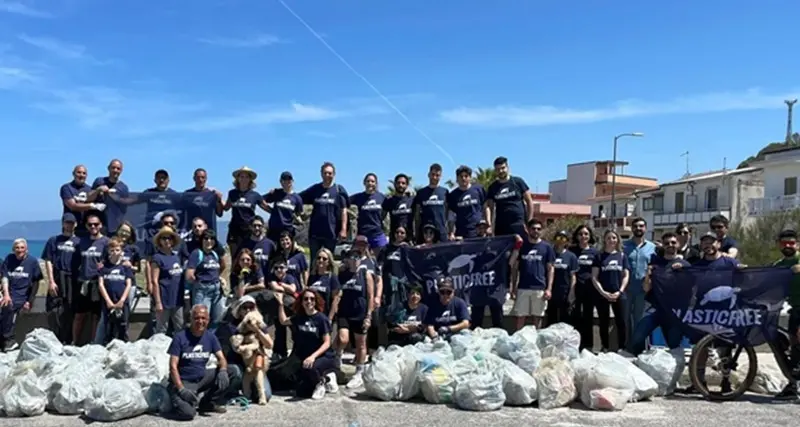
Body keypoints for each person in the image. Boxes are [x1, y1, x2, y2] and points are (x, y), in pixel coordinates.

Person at [167, 305, 237, 420]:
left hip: (202, 377)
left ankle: (208, 403)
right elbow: (172, 366)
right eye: (197, 318)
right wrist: (181, 389)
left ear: (208, 320)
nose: (200, 321)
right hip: (184, 381)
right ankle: (177, 397)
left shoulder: (211, 337)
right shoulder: (180, 337)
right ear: (191, 319)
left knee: (233, 371)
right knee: (188, 414)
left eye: (203, 318)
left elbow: (222, 358)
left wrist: (223, 370)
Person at [626, 232, 689, 356]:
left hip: (673, 312)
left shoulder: (685, 265)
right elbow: (646, 288)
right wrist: (648, 274)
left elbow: (690, 289)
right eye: (667, 243)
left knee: (674, 345)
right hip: (654, 309)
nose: (670, 245)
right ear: (663, 246)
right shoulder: (655, 263)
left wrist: (683, 272)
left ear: (678, 244)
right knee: (637, 338)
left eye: (673, 242)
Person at [275, 289, 338, 400]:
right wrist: (280, 303)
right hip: (305, 356)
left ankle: (321, 382)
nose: (309, 301)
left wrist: (313, 357)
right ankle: (327, 378)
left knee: (310, 367)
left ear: (316, 301)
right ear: (302, 301)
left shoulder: (321, 319)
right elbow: (283, 321)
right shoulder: (299, 317)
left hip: (323, 356)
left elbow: (327, 342)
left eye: (312, 299)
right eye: (306, 299)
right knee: (301, 392)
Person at [334, 239, 375, 390]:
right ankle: (337, 359)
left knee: (361, 344)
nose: (355, 259)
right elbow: (337, 293)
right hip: (345, 312)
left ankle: (359, 372)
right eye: (353, 257)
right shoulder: (343, 274)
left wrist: (369, 316)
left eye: (358, 257)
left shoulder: (365, 274)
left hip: (360, 313)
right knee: (343, 339)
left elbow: (370, 296)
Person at [214, 296, 272, 403]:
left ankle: (254, 393)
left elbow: (269, 345)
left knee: (266, 395)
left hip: (256, 364)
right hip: (239, 364)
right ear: (239, 310)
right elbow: (236, 348)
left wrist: (257, 331)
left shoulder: (258, 323)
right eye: (245, 307)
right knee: (236, 372)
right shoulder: (232, 326)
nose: (248, 310)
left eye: (251, 307)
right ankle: (233, 391)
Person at [42, 213, 81, 344]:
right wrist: (51, 281)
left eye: (72, 223)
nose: (69, 225)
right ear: (63, 223)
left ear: (75, 224)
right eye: (67, 222)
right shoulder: (54, 240)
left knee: (70, 309)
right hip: (58, 277)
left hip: (73, 278)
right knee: (54, 309)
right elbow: (48, 261)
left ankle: (68, 339)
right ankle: (55, 338)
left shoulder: (79, 242)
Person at [299, 162, 349, 262]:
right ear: (321, 174)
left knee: (329, 262)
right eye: (325, 173)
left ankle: (329, 278)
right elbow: (297, 198)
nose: (327, 175)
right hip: (315, 234)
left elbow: (344, 210)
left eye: (330, 173)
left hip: (331, 234)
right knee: (314, 262)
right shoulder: (315, 189)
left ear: (334, 174)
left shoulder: (339, 190)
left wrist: (343, 229)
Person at [510, 219, 555, 330]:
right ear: (528, 230)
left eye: (539, 229)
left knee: (538, 318)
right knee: (520, 317)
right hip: (523, 287)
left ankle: (536, 343)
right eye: (533, 228)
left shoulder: (547, 247)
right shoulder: (522, 245)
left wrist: (549, 289)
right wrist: (513, 287)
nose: (536, 231)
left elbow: (550, 269)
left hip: (539, 287)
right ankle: (519, 343)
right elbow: (512, 265)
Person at [591, 229, 630, 352]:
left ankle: (622, 347)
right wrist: (603, 292)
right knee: (604, 321)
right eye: (608, 238)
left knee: (622, 321)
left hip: (619, 294)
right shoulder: (599, 256)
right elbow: (594, 277)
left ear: (617, 240)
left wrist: (620, 291)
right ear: (604, 240)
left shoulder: (622, 256)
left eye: (614, 238)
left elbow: (626, 275)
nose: (611, 240)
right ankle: (605, 347)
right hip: (603, 294)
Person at [0, 238, 43, 351]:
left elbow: (36, 282)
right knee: (5, 304)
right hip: (9, 292)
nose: (19, 250)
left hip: (22, 295)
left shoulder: (32, 262)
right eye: (17, 248)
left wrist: (30, 301)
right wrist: (6, 294)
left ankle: (9, 339)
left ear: (26, 249)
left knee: (8, 307)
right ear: (13, 249)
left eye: (22, 248)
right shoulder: (9, 259)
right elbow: (5, 277)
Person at [772, 229, 800, 400]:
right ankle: (793, 385)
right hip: (795, 307)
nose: (788, 246)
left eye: (791, 243)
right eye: (784, 243)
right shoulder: (779, 265)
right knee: (793, 344)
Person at [74, 214, 110, 345]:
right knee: (79, 315)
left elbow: (111, 260)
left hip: (98, 283)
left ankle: (94, 343)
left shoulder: (106, 242)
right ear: (86, 226)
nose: (93, 227)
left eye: (95, 224)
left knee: (96, 316)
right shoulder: (81, 242)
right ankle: (75, 342)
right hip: (83, 282)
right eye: (90, 224)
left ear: (100, 225)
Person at [623, 217, 657, 343]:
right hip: (626, 289)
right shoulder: (624, 246)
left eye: (641, 226)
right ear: (632, 228)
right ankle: (626, 345)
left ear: (645, 228)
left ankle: (638, 346)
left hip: (643, 290)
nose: (638, 228)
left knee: (639, 319)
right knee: (625, 319)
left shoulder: (652, 247)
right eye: (636, 226)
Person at [186, 229, 226, 329]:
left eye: (212, 239)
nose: (209, 241)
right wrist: (199, 283)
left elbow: (222, 266)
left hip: (217, 290)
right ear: (202, 240)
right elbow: (189, 275)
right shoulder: (196, 253)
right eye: (206, 238)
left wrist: (218, 277)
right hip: (203, 291)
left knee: (217, 319)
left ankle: (211, 341)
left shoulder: (214, 254)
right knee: (201, 319)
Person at [224, 166, 268, 258]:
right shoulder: (232, 193)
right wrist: (218, 198)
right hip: (234, 230)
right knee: (235, 257)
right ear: (238, 179)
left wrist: (279, 211)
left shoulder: (255, 195)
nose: (244, 179)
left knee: (248, 257)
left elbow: (266, 207)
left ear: (250, 180)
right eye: (241, 176)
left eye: (246, 177)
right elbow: (226, 207)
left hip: (249, 230)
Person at [486, 156, 534, 238]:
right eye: (498, 169)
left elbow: (529, 202)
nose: (501, 171)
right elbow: (490, 207)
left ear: (508, 168)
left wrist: (529, 222)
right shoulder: (492, 187)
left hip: (519, 224)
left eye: (503, 168)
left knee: (520, 249)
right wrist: (490, 225)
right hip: (501, 227)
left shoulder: (518, 182)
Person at [97, 238, 134, 344]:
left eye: (117, 250)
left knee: (123, 327)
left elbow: (128, 284)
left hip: (122, 302)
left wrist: (122, 300)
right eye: (112, 250)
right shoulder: (104, 267)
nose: (115, 252)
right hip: (108, 302)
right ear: (108, 251)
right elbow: (101, 284)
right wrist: (108, 301)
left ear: (121, 251)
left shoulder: (125, 267)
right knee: (108, 328)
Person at [151, 226, 185, 335]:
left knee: (180, 327)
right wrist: (158, 302)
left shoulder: (176, 257)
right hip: (164, 299)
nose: (167, 241)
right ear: (159, 241)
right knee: (161, 330)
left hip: (177, 299)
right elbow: (154, 281)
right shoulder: (157, 258)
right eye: (164, 238)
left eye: (169, 238)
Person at [571, 225, 598, 350]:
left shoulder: (595, 252)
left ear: (590, 236)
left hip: (590, 289)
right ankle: (575, 345)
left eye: (586, 234)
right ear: (577, 236)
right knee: (574, 316)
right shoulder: (571, 251)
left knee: (588, 317)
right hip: (574, 288)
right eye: (581, 234)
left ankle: (588, 346)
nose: (583, 236)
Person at [60, 164, 104, 238]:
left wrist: (98, 191)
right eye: (79, 172)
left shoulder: (89, 189)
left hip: (86, 228)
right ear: (73, 174)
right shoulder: (66, 188)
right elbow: (72, 206)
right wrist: (92, 206)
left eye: (84, 173)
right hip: (70, 228)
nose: (81, 175)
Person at [268, 258, 300, 359]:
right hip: (279, 307)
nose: (279, 270)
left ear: (286, 269)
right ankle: (280, 353)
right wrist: (285, 288)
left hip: (292, 307)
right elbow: (275, 288)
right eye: (276, 268)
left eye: (281, 267)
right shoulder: (271, 277)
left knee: (295, 329)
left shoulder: (290, 277)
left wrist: (282, 284)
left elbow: (293, 289)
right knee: (279, 330)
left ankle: (298, 351)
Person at [446, 165, 488, 240]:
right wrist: (451, 232)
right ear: (457, 178)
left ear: (470, 177)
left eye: (466, 176)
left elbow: (486, 207)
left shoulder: (479, 189)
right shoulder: (453, 195)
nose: (463, 178)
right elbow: (451, 216)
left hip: (479, 232)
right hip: (461, 233)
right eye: (461, 176)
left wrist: (489, 225)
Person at [350, 173, 388, 253]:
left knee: (382, 260)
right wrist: (352, 215)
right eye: (368, 181)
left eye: (372, 181)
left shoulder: (382, 197)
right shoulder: (358, 197)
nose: (370, 183)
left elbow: (388, 209)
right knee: (358, 261)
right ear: (364, 183)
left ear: (376, 183)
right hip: (362, 234)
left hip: (377, 233)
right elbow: (343, 202)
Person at [262, 171, 304, 245]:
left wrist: (298, 221)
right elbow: (260, 200)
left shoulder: (297, 198)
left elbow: (298, 214)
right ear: (281, 181)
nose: (287, 181)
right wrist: (270, 210)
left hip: (288, 231)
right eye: (284, 179)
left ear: (292, 181)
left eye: (289, 179)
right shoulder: (276, 193)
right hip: (273, 230)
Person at [547, 230, 578, 326]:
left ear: (567, 241)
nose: (561, 240)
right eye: (558, 238)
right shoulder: (550, 253)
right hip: (552, 291)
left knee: (564, 319)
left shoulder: (571, 256)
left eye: (564, 238)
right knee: (551, 319)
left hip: (564, 291)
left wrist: (571, 293)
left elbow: (573, 276)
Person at [413, 163, 449, 244]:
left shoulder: (445, 192)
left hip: (441, 232)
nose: (435, 177)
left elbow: (447, 212)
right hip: (426, 232)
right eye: (433, 174)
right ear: (429, 174)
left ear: (440, 176)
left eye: (437, 175)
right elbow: (417, 215)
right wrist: (416, 232)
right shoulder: (421, 193)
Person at [183, 168, 224, 233]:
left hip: (208, 233)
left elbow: (220, 214)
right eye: (198, 177)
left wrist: (219, 200)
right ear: (194, 178)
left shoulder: (212, 194)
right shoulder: (187, 194)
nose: (200, 180)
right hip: (192, 232)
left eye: (203, 177)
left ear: (206, 178)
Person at [307, 248, 340, 319]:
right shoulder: (312, 276)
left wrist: (330, 318)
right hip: (311, 315)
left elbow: (335, 300)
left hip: (325, 316)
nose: (321, 260)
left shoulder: (332, 277)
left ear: (329, 262)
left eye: (324, 259)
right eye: (319, 258)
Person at [382, 173, 414, 242]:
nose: (400, 185)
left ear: (407, 185)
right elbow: (381, 218)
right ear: (394, 184)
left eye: (403, 183)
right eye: (398, 183)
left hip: (409, 239)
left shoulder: (412, 200)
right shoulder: (389, 201)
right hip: (394, 238)